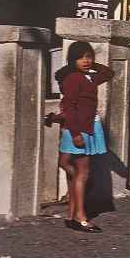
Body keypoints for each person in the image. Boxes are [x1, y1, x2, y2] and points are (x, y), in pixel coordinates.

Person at [44, 41, 114, 233]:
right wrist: (76, 134)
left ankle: (72, 213)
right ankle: (80, 218)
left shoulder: (88, 78)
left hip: (87, 126)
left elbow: (108, 73)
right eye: (81, 57)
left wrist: (92, 65)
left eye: (89, 56)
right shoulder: (75, 79)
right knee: (82, 173)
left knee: (72, 167)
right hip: (80, 128)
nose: (86, 61)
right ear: (72, 60)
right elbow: (68, 107)